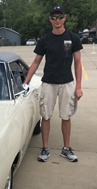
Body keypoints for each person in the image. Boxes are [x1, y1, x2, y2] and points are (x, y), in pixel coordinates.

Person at [22, 5, 83, 162]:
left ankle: (66, 149)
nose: (57, 20)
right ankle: (45, 149)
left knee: (66, 116)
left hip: (67, 83)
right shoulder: (44, 40)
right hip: (49, 83)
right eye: (54, 17)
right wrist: (25, 82)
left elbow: (77, 63)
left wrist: (78, 87)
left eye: (60, 17)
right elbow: (36, 62)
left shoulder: (74, 38)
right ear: (50, 19)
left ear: (65, 18)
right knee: (46, 116)